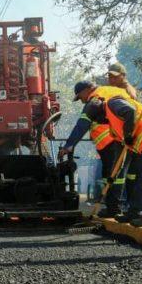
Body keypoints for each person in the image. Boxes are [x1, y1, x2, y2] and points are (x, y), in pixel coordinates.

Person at [60, 83, 142, 226]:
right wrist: (116, 169)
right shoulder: (112, 123)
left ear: (100, 111)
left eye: (98, 119)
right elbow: (120, 147)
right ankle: (134, 212)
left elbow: (130, 111)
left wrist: (128, 134)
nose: (99, 121)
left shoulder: (112, 103)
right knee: (136, 177)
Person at [58, 81, 131, 218]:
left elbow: (82, 124)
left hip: (113, 140)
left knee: (113, 176)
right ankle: (120, 207)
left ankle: (114, 208)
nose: (81, 101)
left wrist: (69, 145)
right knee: (116, 175)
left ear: (87, 89)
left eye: (80, 97)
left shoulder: (95, 99)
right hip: (125, 138)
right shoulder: (112, 90)